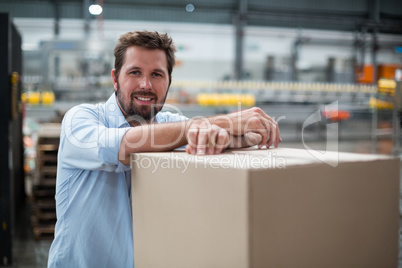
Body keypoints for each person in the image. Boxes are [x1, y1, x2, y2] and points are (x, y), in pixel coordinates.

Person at [47, 30, 281, 267]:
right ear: (115, 78)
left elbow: (219, 137)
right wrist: (217, 122)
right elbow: (124, 146)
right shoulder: (81, 119)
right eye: (135, 72)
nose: (146, 85)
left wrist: (252, 133)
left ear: (169, 81)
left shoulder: (170, 125)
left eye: (157, 74)